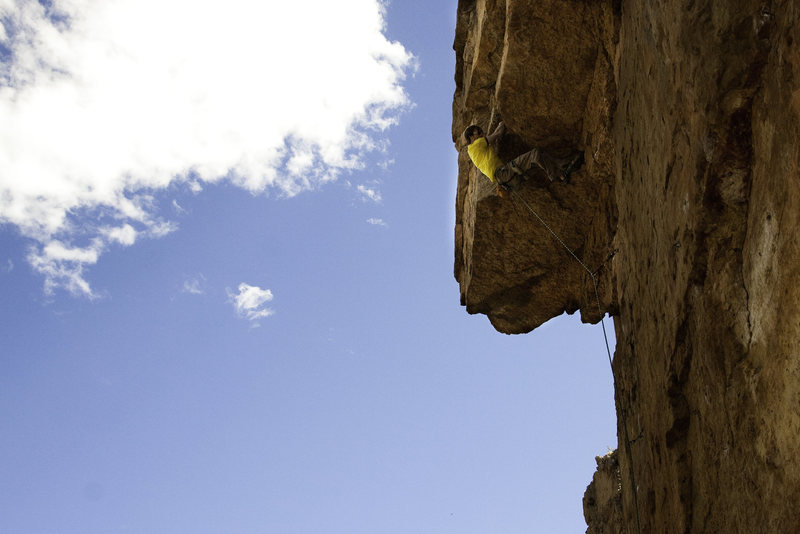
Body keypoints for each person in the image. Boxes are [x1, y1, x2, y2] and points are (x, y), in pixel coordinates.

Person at [463, 121, 583, 196]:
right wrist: (503, 122)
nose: (481, 134)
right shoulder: (475, 145)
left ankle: (564, 166)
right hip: (503, 173)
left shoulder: (473, 152)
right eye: (478, 132)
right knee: (535, 154)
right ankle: (558, 175)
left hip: (507, 180)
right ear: (471, 136)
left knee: (539, 159)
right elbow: (497, 134)